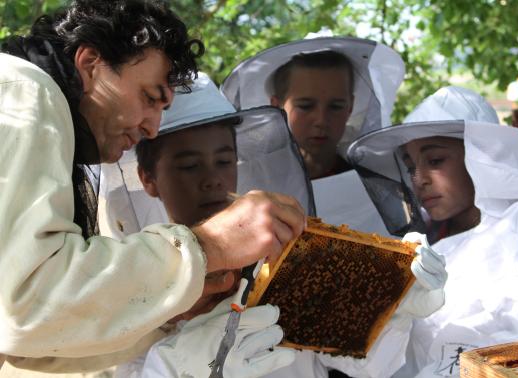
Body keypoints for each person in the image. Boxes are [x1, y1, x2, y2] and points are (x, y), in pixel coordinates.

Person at [0, 0, 304, 372]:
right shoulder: (22, 88)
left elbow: (32, 337)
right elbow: (24, 304)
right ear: (90, 63)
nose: (152, 128)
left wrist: (164, 309)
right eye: (149, 98)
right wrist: (211, 245)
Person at [109, 74, 447, 378]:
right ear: (148, 178)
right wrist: (175, 368)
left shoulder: (278, 261)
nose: (212, 179)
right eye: (189, 166)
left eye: (224, 161)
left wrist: (391, 308)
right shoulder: (138, 284)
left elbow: (362, 365)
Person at [346, 86, 518, 377]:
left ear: (481, 159)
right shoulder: (432, 259)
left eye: (435, 160)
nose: (419, 179)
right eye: (411, 165)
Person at [221, 36, 405, 236]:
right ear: (276, 106)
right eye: (305, 106)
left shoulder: (375, 185)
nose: (321, 119)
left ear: (350, 107)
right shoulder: (250, 182)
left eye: (335, 106)